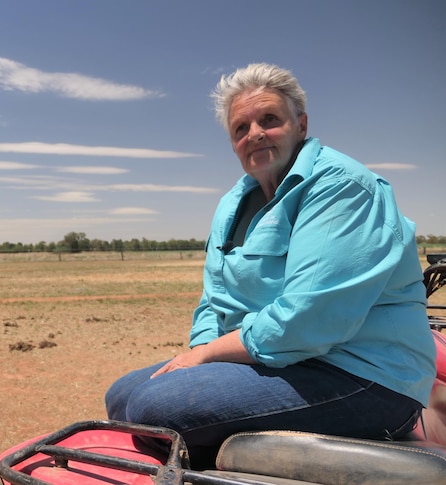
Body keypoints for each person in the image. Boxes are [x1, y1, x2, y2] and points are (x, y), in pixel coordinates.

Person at [104, 63, 436, 469]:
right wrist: (202, 352)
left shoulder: (341, 187)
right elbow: (215, 301)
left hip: (362, 375)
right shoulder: (233, 203)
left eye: (269, 119)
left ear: (301, 124)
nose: (255, 133)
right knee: (121, 395)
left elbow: (310, 317)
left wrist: (208, 356)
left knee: (156, 407)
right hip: (279, 360)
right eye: (240, 128)